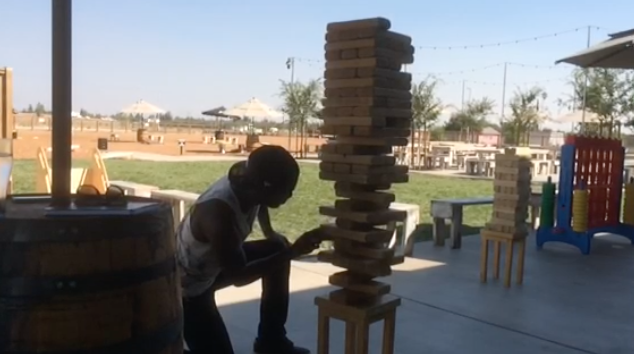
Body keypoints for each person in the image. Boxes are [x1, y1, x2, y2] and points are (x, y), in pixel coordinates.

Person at [177, 145, 326, 354]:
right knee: (282, 253)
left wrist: (270, 233)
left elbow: (261, 203)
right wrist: (294, 252)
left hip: (216, 266)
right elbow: (239, 275)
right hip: (188, 289)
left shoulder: (249, 183)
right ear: (265, 187)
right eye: (287, 189)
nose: (291, 195)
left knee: (277, 247)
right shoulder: (218, 215)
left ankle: (271, 341)